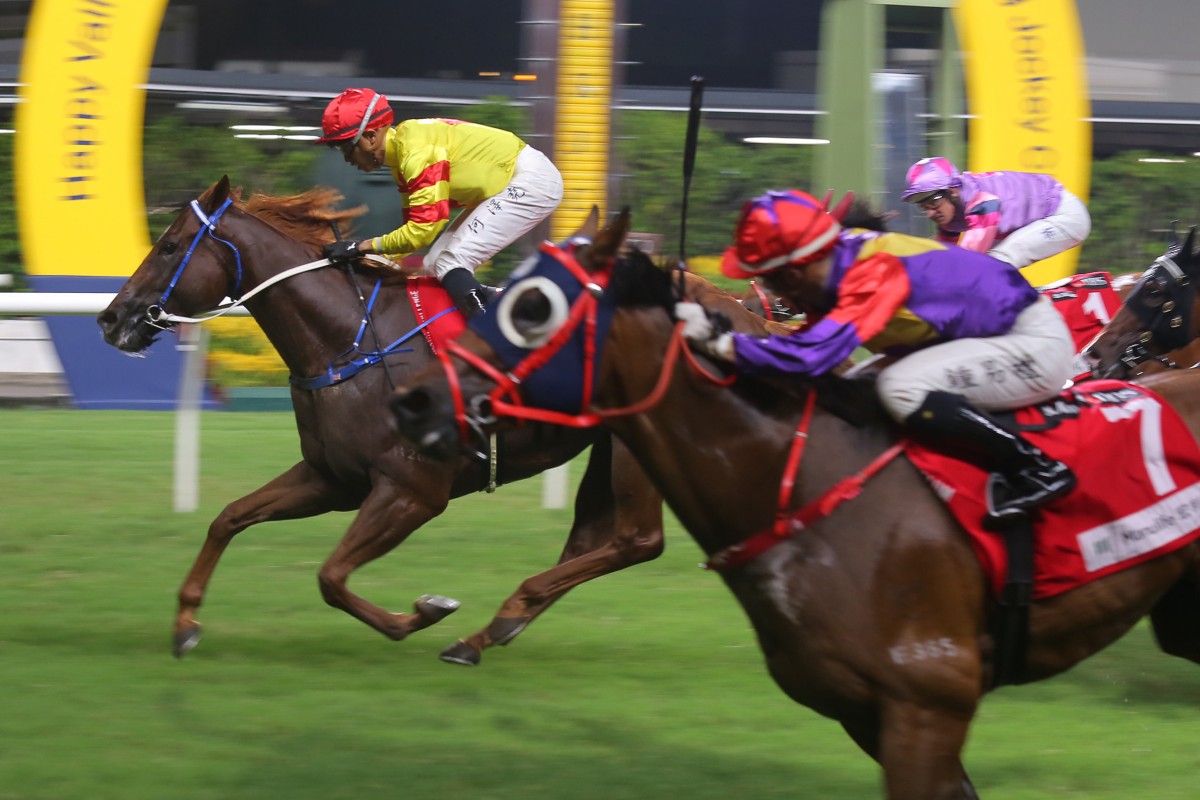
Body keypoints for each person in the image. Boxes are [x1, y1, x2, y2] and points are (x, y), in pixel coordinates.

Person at [679, 189, 1078, 528]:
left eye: (770, 277)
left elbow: (811, 357)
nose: (770, 290)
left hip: (1031, 344)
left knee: (898, 387)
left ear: (796, 271)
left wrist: (720, 343)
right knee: (852, 389)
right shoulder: (831, 271)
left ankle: (1035, 468)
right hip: (983, 339)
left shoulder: (872, 270)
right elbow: (801, 347)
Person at [315, 88, 564, 317]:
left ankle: (491, 338)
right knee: (433, 265)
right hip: (511, 180)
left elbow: (422, 231)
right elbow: (412, 234)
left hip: (530, 180)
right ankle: (501, 307)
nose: (347, 158)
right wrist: (368, 258)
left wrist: (360, 248)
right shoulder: (402, 157)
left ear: (370, 137)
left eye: (346, 148)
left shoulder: (416, 154)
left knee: (450, 262)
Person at [900, 156, 1091, 270]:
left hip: (1064, 215)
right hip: (1037, 217)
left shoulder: (983, 202)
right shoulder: (950, 207)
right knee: (988, 263)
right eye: (922, 206)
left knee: (996, 261)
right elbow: (942, 256)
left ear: (952, 191)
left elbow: (967, 260)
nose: (930, 213)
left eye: (933, 202)